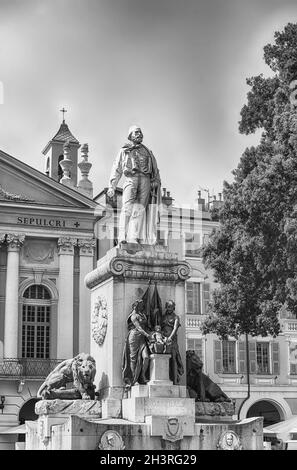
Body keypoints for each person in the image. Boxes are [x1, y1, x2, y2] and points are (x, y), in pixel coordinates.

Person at [107, 126, 161, 245]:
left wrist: (155, 181)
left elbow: (155, 170)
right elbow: (117, 167)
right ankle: (122, 236)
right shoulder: (124, 150)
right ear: (130, 135)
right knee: (127, 208)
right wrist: (112, 186)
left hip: (145, 180)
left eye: (141, 132)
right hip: (131, 178)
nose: (139, 134)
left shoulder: (148, 151)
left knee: (139, 210)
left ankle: (133, 237)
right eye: (136, 132)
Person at [122, 299, 153, 386]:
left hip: (142, 338)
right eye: (141, 305)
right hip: (134, 337)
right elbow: (139, 327)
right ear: (136, 306)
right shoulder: (133, 316)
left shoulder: (142, 315)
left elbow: (146, 326)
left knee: (146, 357)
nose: (143, 306)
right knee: (134, 359)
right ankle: (134, 380)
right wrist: (148, 335)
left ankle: (142, 375)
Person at [161, 300, 184, 384]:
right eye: (168, 307)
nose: (169, 309)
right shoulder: (163, 317)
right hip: (163, 339)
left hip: (172, 340)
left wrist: (170, 337)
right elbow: (159, 327)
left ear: (173, 308)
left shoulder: (176, 317)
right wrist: (162, 337)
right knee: (162, 358)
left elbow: (175, 328)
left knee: (173, 359)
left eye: (171, 307)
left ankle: (174, 380)